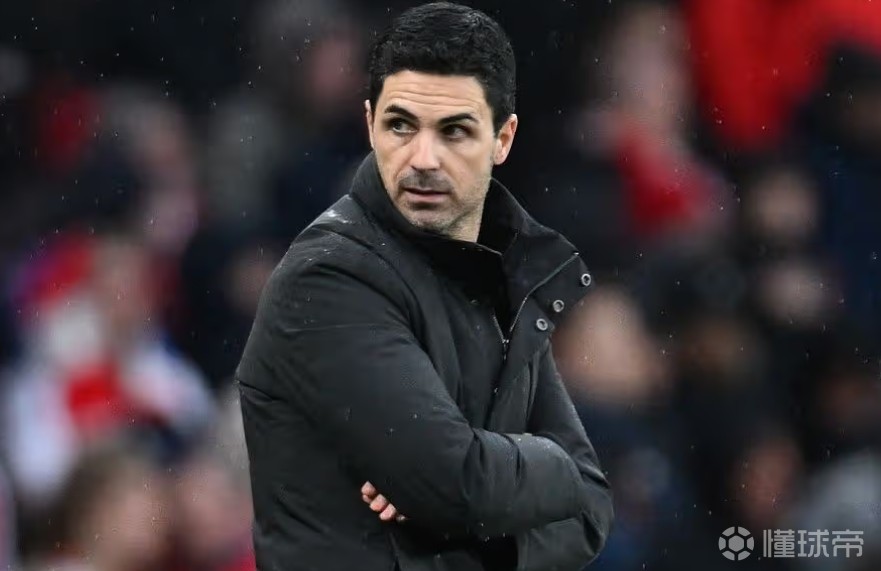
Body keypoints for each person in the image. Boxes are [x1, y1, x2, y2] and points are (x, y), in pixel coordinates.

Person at [236, 3, 614, 570]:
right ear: (370, 124)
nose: (423, 158)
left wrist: (474, 511)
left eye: (454, 130)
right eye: (401, 126)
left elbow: (591, 511)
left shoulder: (500, 272)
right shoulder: (326, 279)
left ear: (503, 138)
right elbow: (458, 484)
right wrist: (553, 468)